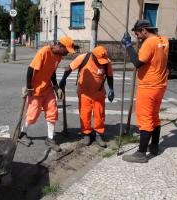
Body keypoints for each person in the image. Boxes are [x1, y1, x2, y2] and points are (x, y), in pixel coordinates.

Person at [121, 20, 169, 163]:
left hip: (148, 86)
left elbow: (137, 63)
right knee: (154, 116)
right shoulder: (164, 40)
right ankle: (154, 146)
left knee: (145, 118)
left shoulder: (149, 42)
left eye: (137, 33)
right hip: (160, 85)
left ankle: (141, 153)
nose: (137, 37)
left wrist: (128, 46)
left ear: (144, 30)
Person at [20, 36, 76, 152]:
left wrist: (55, 86)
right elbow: (30, 69)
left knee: (52, 112)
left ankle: (50, 138)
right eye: (66, 50)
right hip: (35, 89)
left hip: (47, 88)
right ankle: (22, 133)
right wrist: (29, 87)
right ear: (60, 46)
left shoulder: (59, 56)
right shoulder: (44, 51)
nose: (67, 53)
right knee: (33, 114)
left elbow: (52, 72)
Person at [59, 46, 114, 148]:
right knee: (85, 114)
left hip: (99, 93)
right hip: (84, 93)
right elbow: (69, 68)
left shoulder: (106, 62)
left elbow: (110, 76)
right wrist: (63, 79)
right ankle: (87, 134)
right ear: (93, 56)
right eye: (98, 60)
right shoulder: (83, 58)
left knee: (99, 114)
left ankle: (98, 134)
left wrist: (111, 89)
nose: (100, 63)